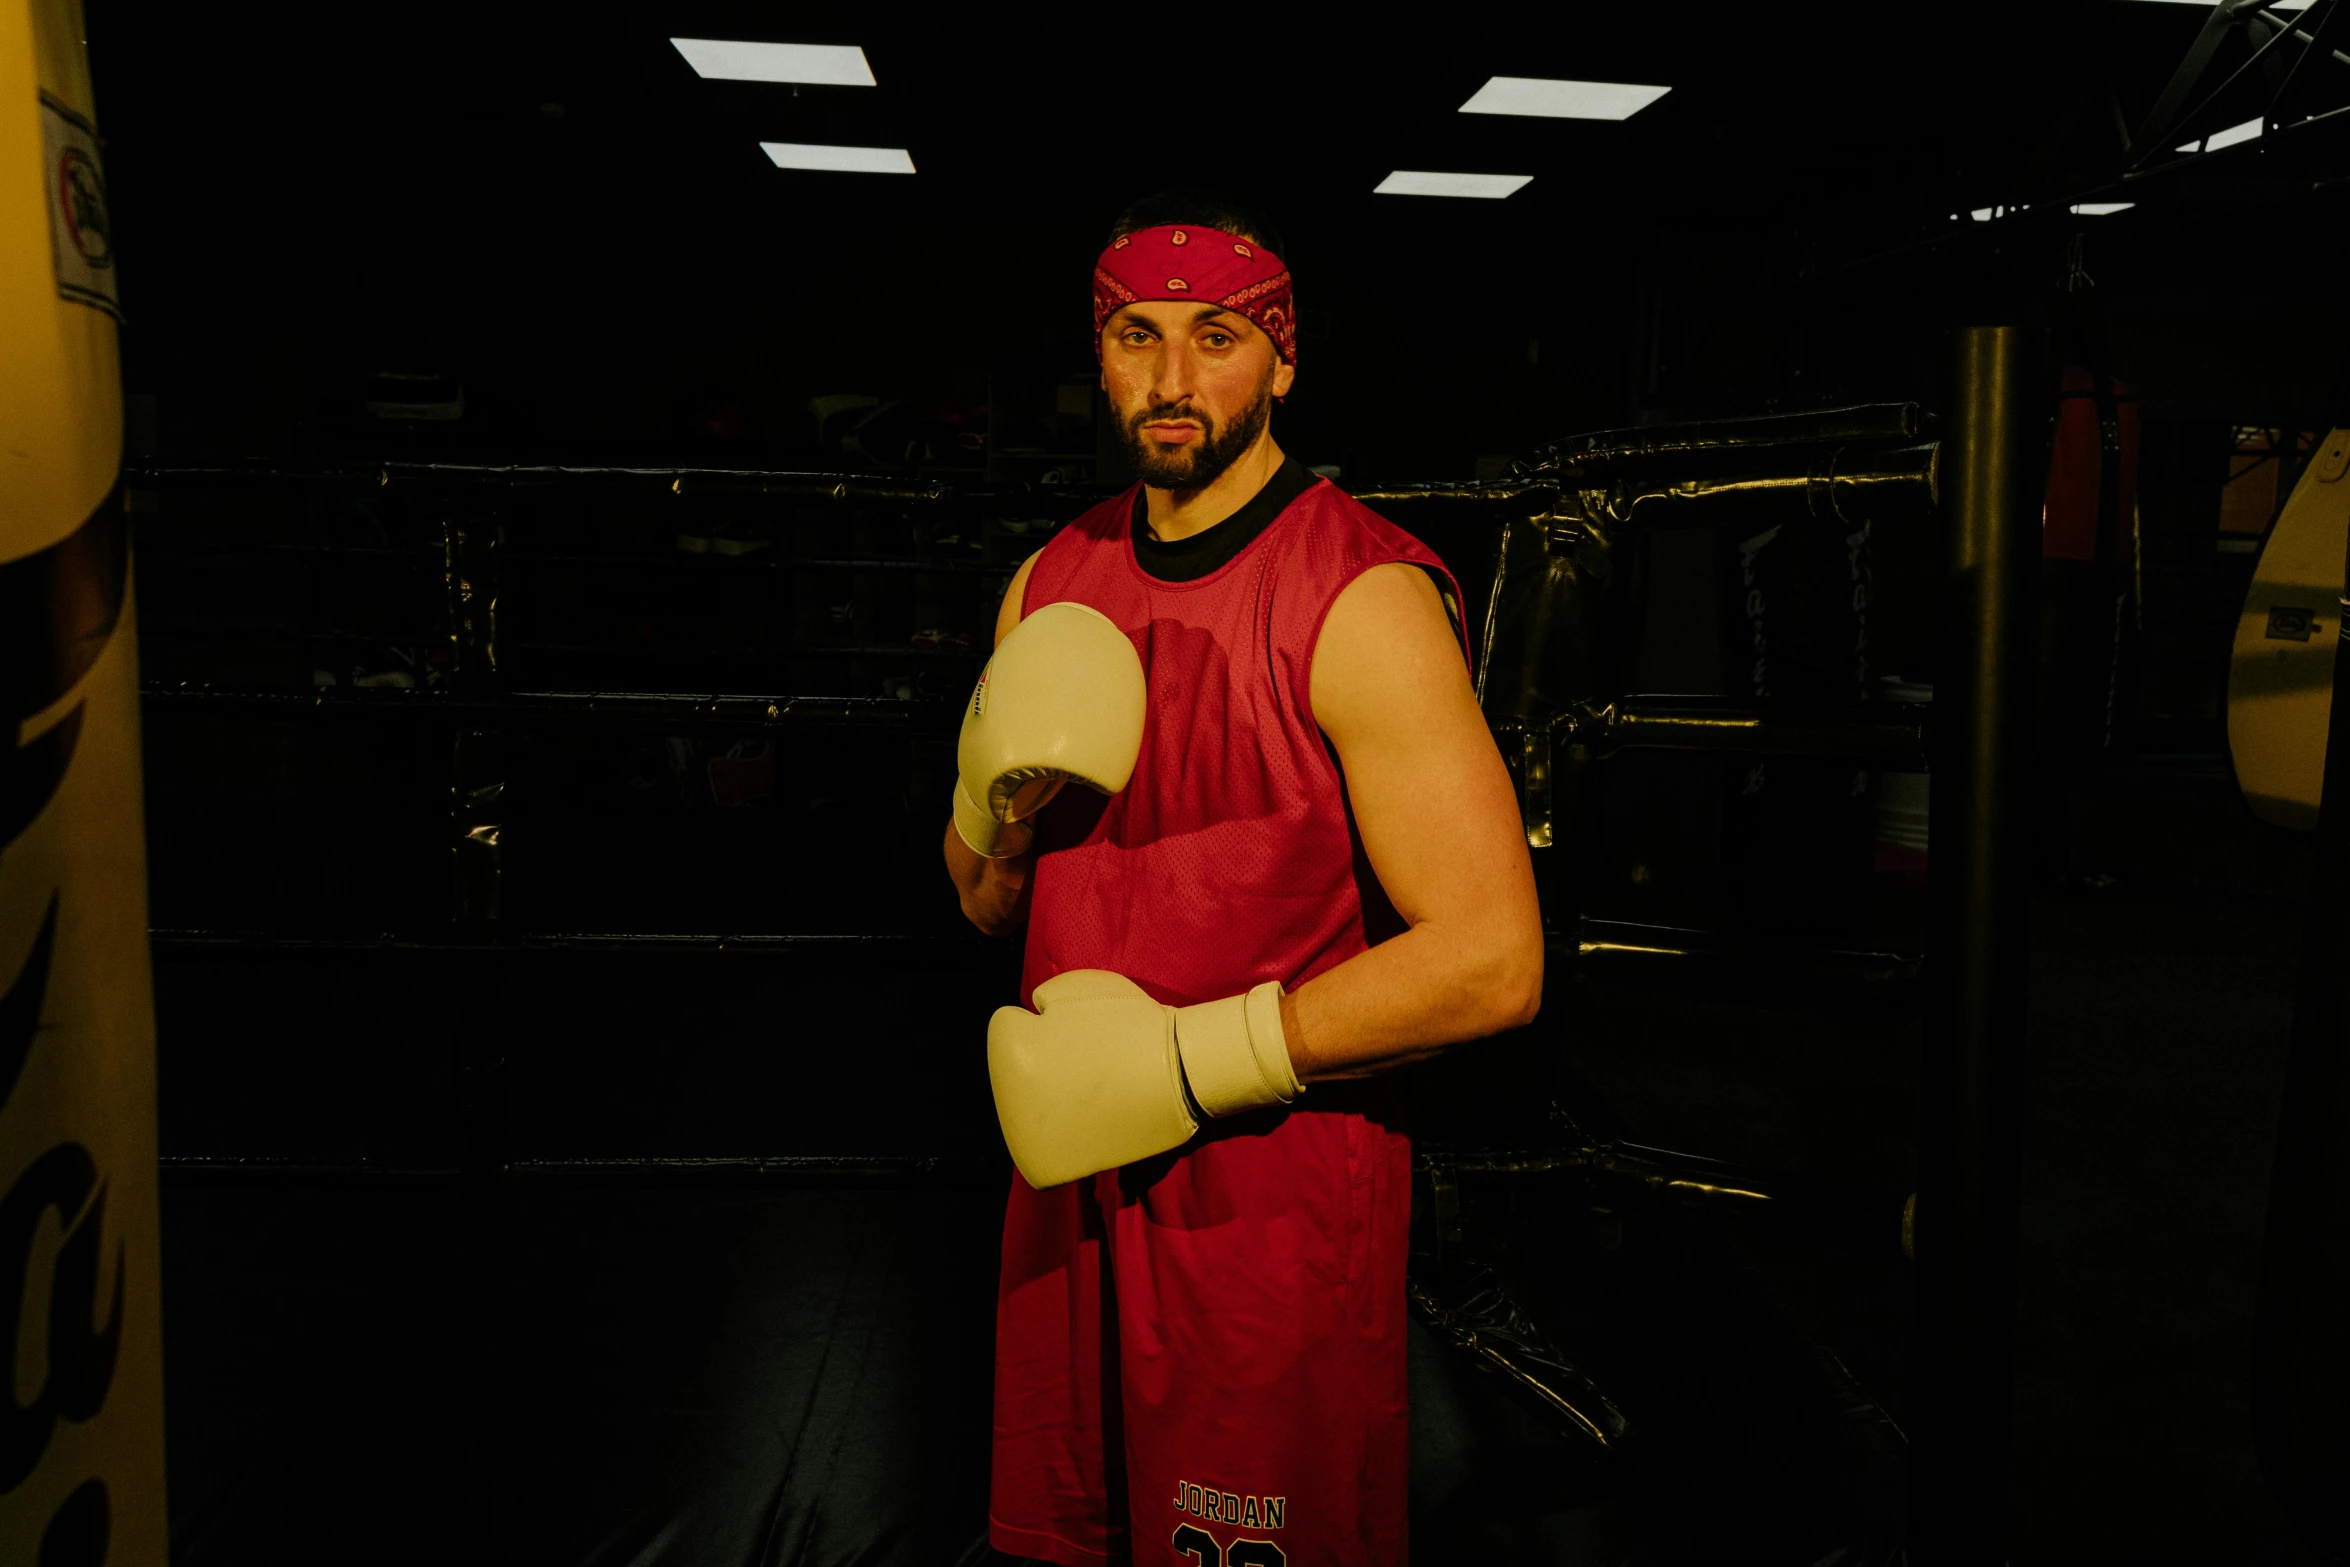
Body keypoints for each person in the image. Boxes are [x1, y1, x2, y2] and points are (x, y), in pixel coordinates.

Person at [943, 189, 1544, 1567]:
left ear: (1281, 358)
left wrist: (1179, 1058)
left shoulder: (1361, 597)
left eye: (1214, 337)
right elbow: (978, 898)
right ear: (1094, 356)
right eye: (1134, 336)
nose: (1168, 380)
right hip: (1065, 1179)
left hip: (1262, 1198)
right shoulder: (1049, 579)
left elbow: (1492, 961)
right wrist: (1005, 820)